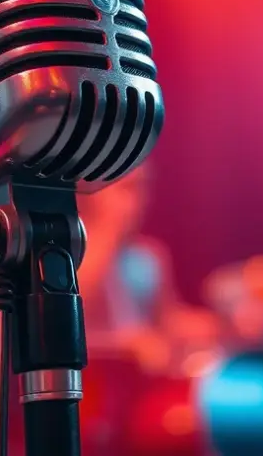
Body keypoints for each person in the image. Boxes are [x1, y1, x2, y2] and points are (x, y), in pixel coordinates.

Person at [76, 162, 221, 377]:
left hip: (142, 381)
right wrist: (108, 229)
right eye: (124, 188)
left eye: (141, 188)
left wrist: (223, 324)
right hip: (93, 384)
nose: (136, 201)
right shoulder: (72, 252)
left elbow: (166, 319)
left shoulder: (149, 256)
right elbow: (73, 313)